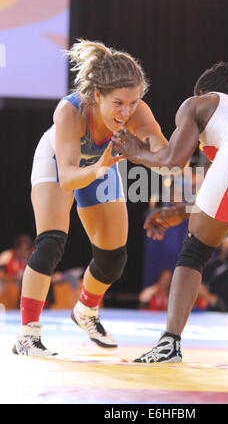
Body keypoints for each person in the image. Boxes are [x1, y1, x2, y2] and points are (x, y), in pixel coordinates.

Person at [112, 61, 228, 363]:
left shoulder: (197, 104)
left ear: (201, 91)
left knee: (195, 251)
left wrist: (137, 152)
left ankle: (169, 344)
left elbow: (174, 161)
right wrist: (183, 211)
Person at [12, 39, 167, 356]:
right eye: (119, 103)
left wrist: (165, 162)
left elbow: (166, 159)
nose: (127, 112)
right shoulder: (70, 111)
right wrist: (102, 165)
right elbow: (68, 177)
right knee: (51, 242)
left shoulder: (137, 113)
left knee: (113, 259)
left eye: (134, 102)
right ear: (98, 95)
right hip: (60, 162)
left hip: (101, 163)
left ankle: (85, 310)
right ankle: (27, 335)